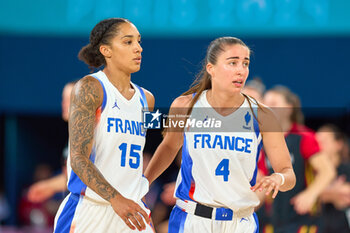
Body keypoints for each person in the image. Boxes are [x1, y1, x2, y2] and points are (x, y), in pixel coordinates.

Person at [144, 37, 296, 233]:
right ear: (211, 68)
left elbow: (288, 173)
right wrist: (142, 184)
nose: (241, 70)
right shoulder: (185, 106)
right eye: (232, 62)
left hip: (240, 222)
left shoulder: (263, 115)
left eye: (245, 63)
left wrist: (279, 179)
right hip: (192, 219)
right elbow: (169, 146)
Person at [53, 18, 154, 233]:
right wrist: (115, 199)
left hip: (132, 210)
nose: (138, 48)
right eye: (128, 42)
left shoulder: (147, 99)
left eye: (139, 41)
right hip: (90, 210)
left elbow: (170, 138)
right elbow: (78, 158)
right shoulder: (91, 87)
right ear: (106, 50)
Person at [261, 86, 336, 233]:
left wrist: (311, 194)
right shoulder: (263, 138)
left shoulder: (304, 137)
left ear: (288, 108)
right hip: (273, 220)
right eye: (266, 105)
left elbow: (328, 171)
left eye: (274, 104)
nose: (269, 109)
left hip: (303, 219)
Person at [27, 81, 76, 203]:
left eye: (70, 99)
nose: (64, 104)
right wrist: (48, 186)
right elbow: (73, 176)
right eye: (63, 99)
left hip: (90, 210)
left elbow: (85, 177)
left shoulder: (91, 135)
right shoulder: (74, 134)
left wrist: (49, 186)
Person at [316, 124, 350, 233]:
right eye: (316, 142)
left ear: (338, 144)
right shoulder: (312, 170)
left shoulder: (346, 168)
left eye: (324, 141)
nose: (319, 145)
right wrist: (335, 192)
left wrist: (320, 192)